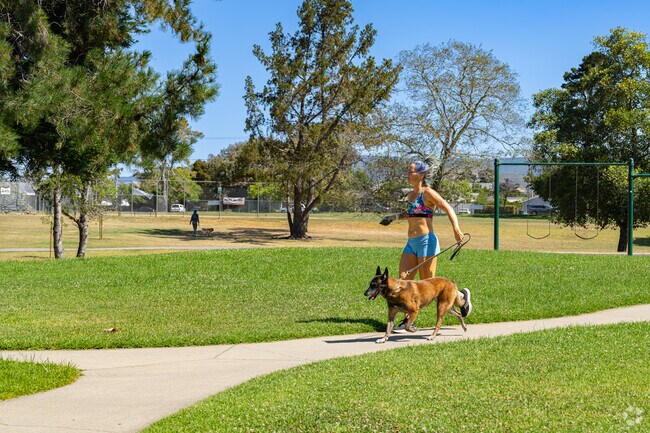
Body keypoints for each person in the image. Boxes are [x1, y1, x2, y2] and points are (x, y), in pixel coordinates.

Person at [380, 160, 472, 332]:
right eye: (408, 171)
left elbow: (448, 209)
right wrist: (392, 217)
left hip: (426, 242)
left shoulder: (428, 193)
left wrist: (457, 230)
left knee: (428, 287)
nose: (408, 174)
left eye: (411, 171)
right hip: (411, 243)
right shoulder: (410, 196)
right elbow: (410, 214)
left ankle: (462, 298)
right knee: (403, 282)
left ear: (421, 175)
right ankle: (408, 320)